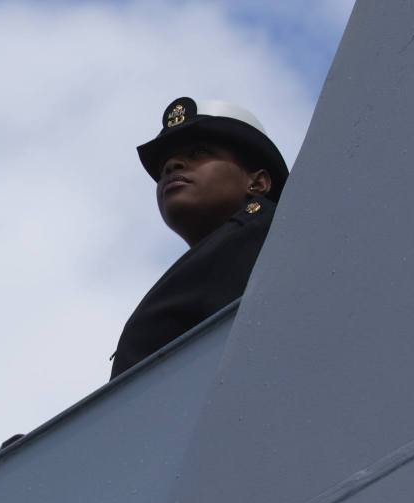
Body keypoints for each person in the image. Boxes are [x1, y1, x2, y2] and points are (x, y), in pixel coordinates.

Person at [109, 97, 289, 380]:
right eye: (165, 166)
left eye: (199, 152)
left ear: (258, 182)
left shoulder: (268, 233)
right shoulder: (219, 254)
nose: (172, 166)